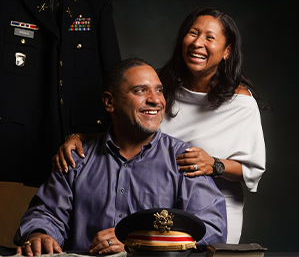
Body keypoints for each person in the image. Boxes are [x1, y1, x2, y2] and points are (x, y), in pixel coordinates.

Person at [53, 8, 267, 244]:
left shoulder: (240, 102)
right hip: (157, 204)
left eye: (209, 37)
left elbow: (251, 169)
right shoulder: (159, 89)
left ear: (227, 51)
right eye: (193, 33)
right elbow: (129, 131)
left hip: (212, 210)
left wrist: (213, 164)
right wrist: (81, 137)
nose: (198, 43)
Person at [14, 58, 227, 256]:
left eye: (159, 91)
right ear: (109, 102)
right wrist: (39, 234)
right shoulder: (76, 159)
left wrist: (139, 241)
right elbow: (46, 213)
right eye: (140, 90)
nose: (155, 100)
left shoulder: (185, 159)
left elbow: (212, 228)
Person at [0, 0, 121, 187]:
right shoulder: (8, 2)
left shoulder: (95, 3)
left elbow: (113, 74)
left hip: (79, 135)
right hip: (19, 136)